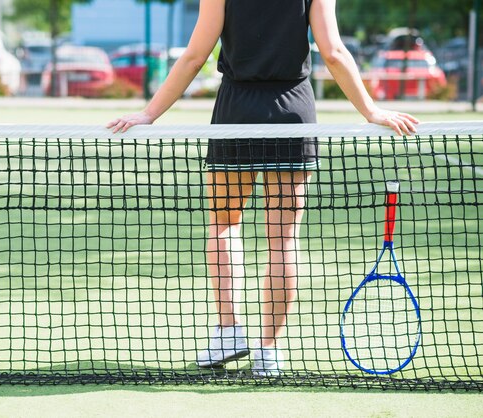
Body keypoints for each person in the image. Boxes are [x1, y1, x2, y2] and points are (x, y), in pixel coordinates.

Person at [107, 0, 419, 376]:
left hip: (235, 112)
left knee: (224, 224)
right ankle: (268, 353)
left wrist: (149, 113)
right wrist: (371, 110)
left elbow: (194, 56)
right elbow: (333, 52)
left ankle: (228, 333)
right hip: (293, 114)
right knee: (283, 239)